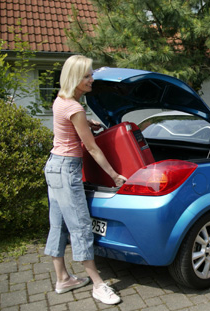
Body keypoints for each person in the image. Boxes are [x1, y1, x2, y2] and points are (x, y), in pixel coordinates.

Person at [44, 55, 126, 305]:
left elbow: (66, 122)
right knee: (80, 226)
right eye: (87, 76)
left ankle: (63, 279)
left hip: (53, 166)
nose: (92, 79)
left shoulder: (61, 99)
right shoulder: (75, 108)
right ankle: (99, 285)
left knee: (58, 225)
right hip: (67, 170)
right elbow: (92, 149)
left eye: (91, 74)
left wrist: (86, 123)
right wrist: (114, 175)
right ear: (75, 78)